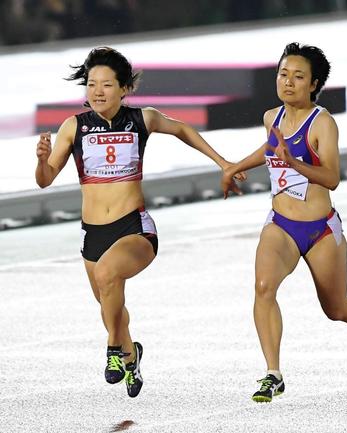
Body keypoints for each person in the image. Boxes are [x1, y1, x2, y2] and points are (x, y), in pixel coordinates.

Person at [35, 46, 244, 398]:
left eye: (106, 85)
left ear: (124, 89)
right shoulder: (74, 127)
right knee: (111, 307)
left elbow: (182, 130)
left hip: (134, 229)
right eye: (91, 85)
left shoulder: (142, 119)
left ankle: (114, 352)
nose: (97, 92)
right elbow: (45, 179)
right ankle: (132, 355)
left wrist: (222, 162)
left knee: (107, 278)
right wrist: (42, 160)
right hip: (94, 236)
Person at [221, 42, 347, 403]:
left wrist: (294, 163)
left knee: (336, 308)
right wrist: (235, 166)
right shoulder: (271, 118)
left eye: (298, 77)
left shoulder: (322, 123)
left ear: (313, 84)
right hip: (281, 224)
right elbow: (269, 150)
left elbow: (331, 177)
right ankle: (272, 373)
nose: (288, 82)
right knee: (263, 286)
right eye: (283, 74)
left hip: (321, 230)